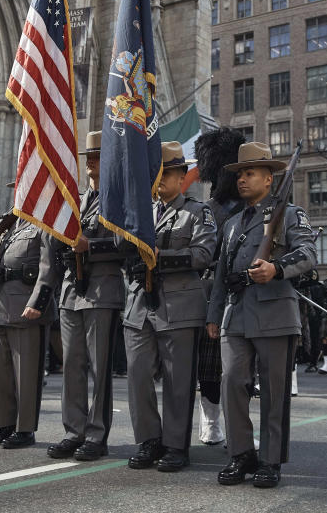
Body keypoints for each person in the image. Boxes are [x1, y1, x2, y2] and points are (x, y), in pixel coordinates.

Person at [206, 141, 317, 489]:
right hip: (235, 314)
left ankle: (270, 460)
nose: (242, 180)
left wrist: (277, 268)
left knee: (274, 390)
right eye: (239, 174)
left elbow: (309, 253)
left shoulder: (290, 214)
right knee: (232, 384)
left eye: (250, 173)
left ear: (269, 179)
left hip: (274, 313)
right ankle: (241, 454)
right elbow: (221, 272)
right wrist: (213, 314)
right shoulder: (232, 223)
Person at [122, 142, 217, 472]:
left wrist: (161, 258)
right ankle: (149, 439)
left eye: (167, 173)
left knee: (179, 380)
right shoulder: (138, 212)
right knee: (137, 375)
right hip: (138, 305)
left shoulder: (197, 211)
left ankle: (176, 445)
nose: (160, 179)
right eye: (155, 173)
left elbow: (204, 255)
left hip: (178, 304)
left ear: (182, 177)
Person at [40, 131, 128, 462]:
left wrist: (91, 246)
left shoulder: (119, 201)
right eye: (88, 157)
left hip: (102, 288)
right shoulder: (73, 200)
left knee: (99, 367)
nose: (91, 162)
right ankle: (73, 431)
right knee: (72, 365)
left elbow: (129, 244)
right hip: (70, 291)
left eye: (98, 156)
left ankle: (96, 434)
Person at [0, 188, 52, 450]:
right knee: (0, 371)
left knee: (25, 373)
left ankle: (25, 429)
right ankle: (4, 425)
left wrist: (38, 302)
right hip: (1, 304)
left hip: (25, 305)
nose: (18, 192)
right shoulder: (10, 226)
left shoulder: (45, 221)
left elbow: (49, 266)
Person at [193, 127, 246, 446]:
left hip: (246, 293)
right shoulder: (204, 211)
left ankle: (241, 426)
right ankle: (210, 420)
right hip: (212, 293)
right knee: (210, 368)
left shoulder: (255, 209)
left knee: (242, 369)